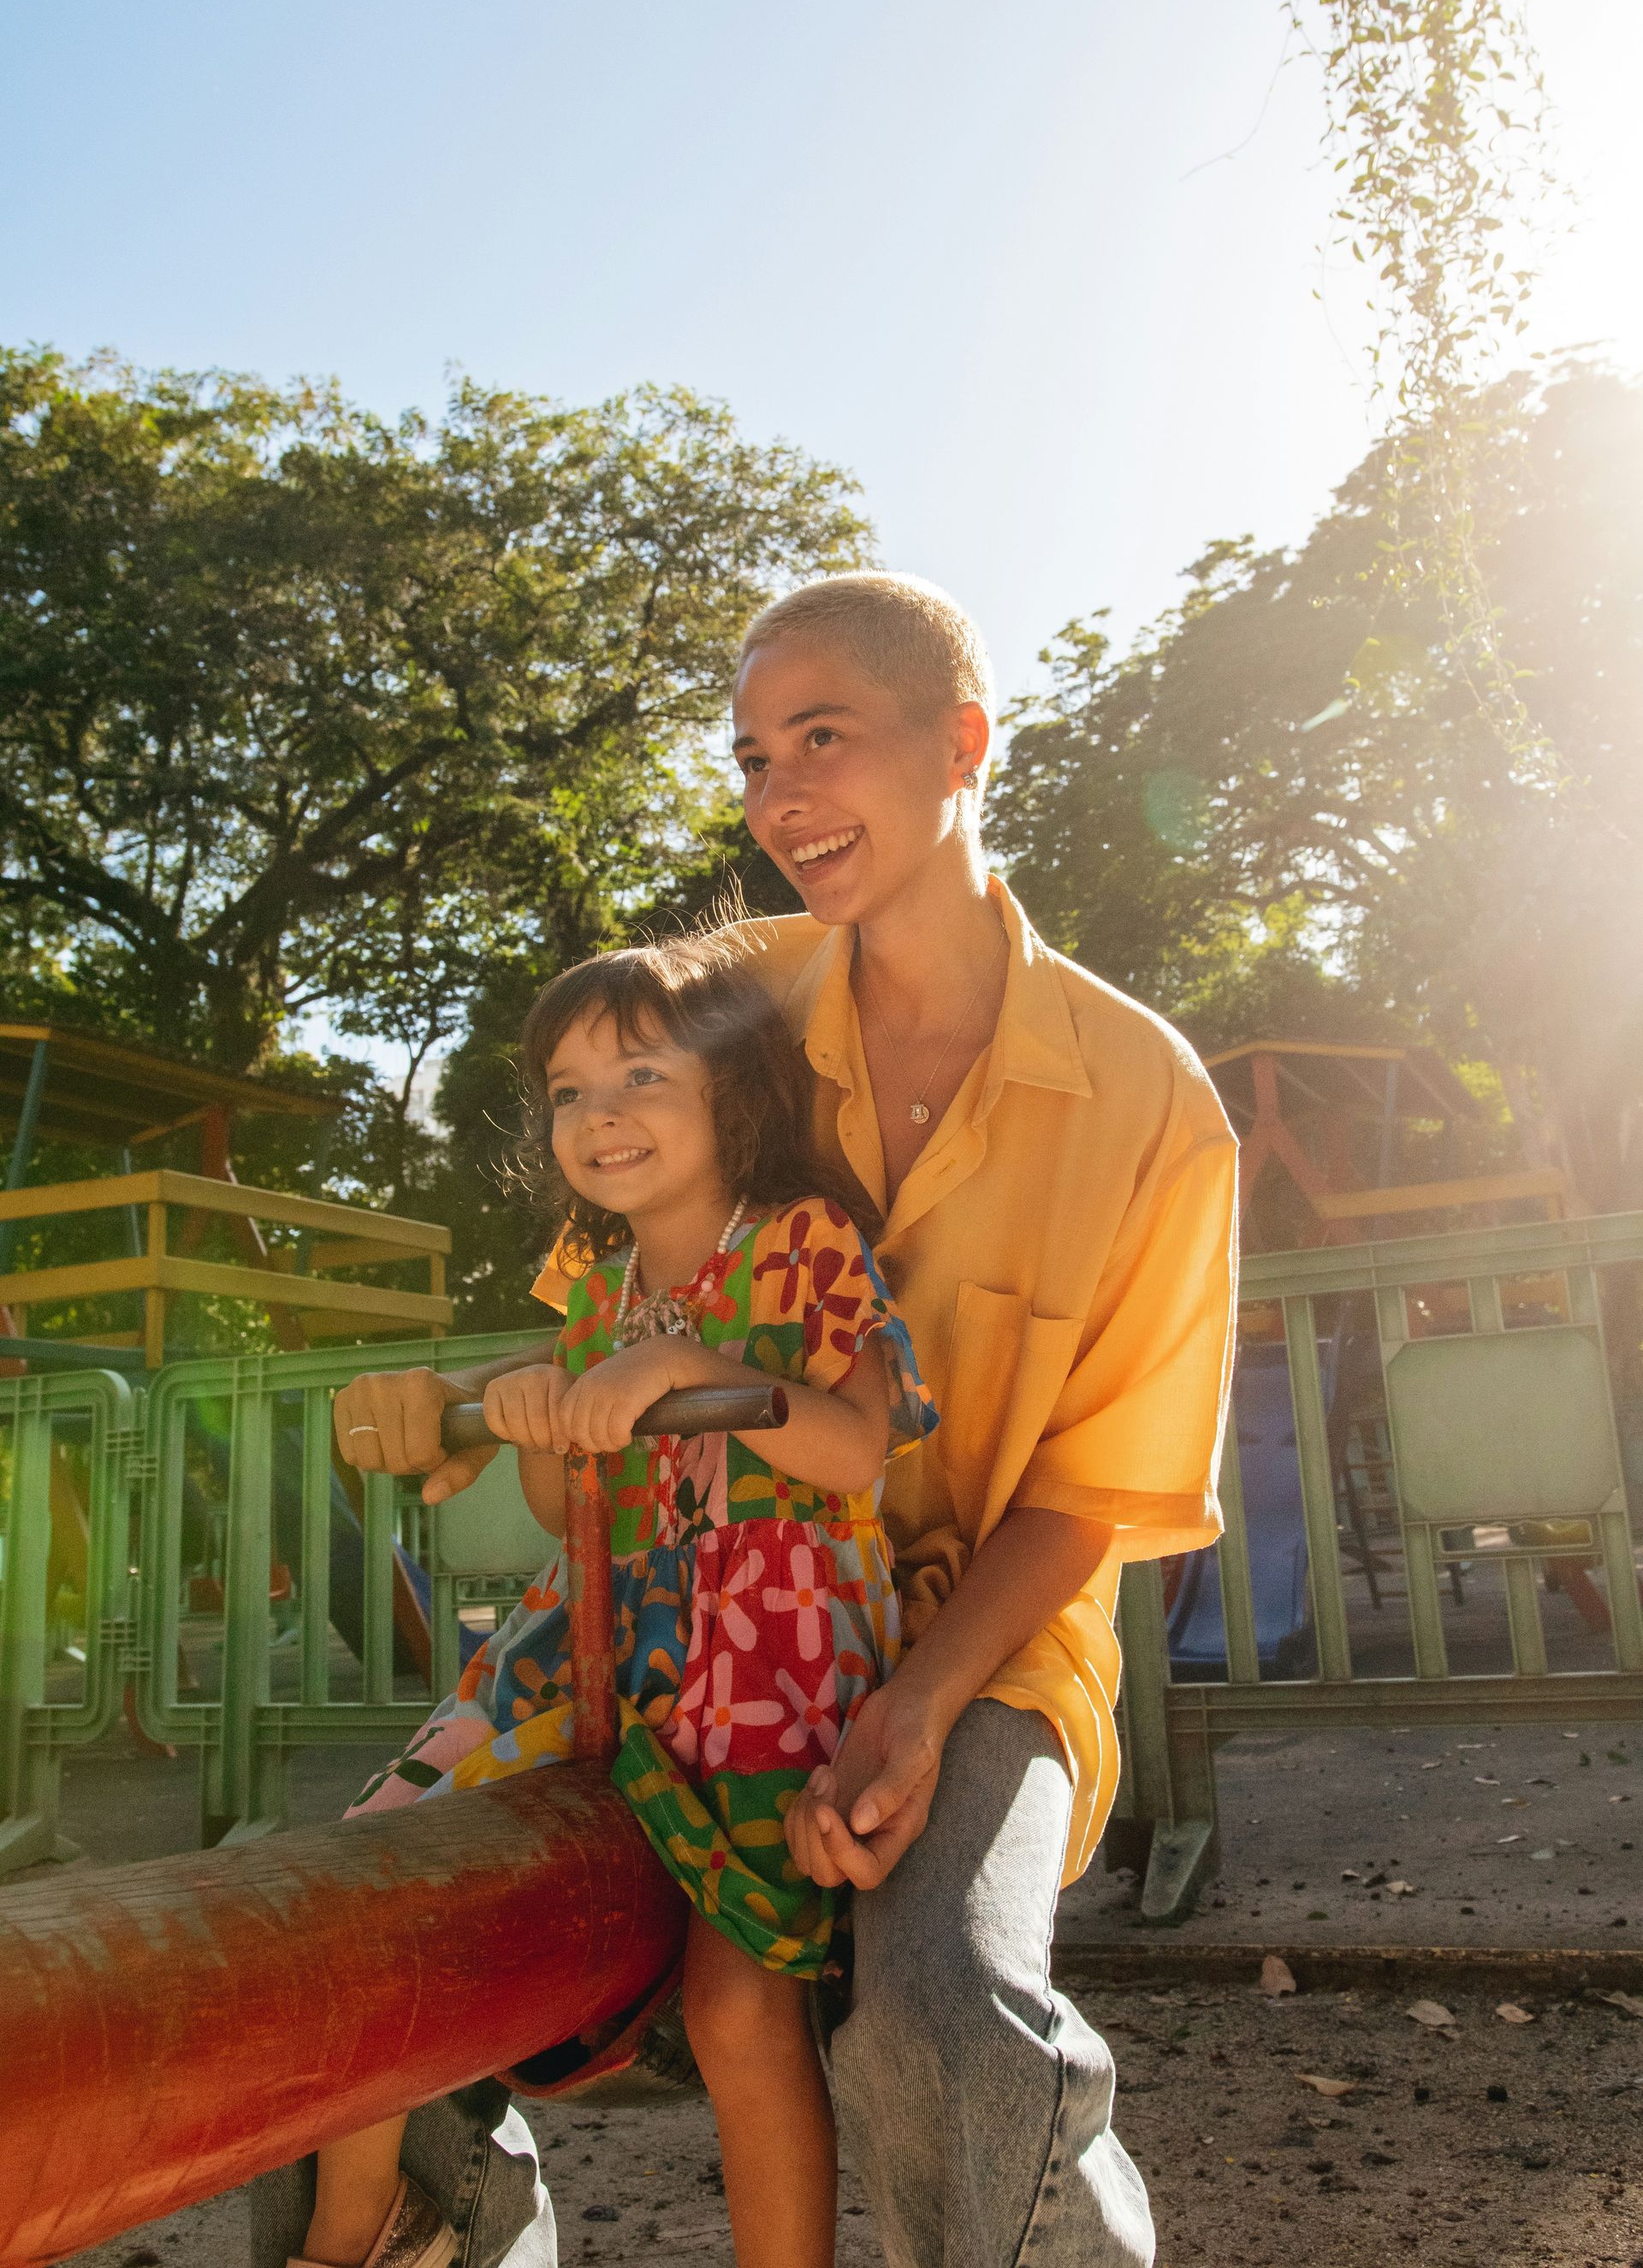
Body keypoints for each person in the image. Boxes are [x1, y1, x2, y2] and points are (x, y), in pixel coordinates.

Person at [253, 569, 1237, 2268]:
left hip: (978, 1641)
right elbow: (611, 1193)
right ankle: (423, 2232)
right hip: (680, 1607)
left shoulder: (1158, 1109)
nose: (780, 797)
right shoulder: (737, 1002)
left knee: (938, 2008)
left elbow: (1086, 1501)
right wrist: (469, 1409)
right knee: (361, 1924)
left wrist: (919, 1709)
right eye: (751, 755)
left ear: (963, 746)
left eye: (825, 740)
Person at [287, 936, 934, 2268]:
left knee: (735, 2003)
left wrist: (685, 1361)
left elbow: (857, 1451)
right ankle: (358, 2236)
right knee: (378, 1879)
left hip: (767, 1640)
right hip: (595, 1635)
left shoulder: (805, 1242)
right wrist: (538, 1418)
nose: (600, 1113)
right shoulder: (593, 1291)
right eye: (569, 1090)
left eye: (640, 1072)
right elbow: (565, 1512)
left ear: (732, 1092)